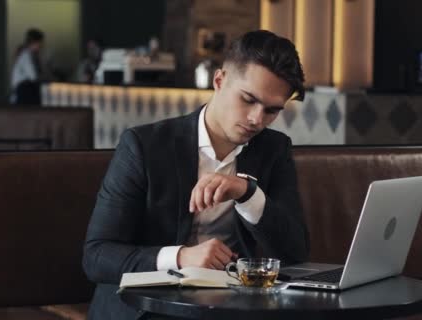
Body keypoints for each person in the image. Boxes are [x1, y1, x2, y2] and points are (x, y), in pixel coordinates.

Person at [83, 30, 310, 319]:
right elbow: (97, 256)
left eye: (271, 110)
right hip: (147, 310)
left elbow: (295, 252)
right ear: (219, 81)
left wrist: (247, 193)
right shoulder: (144, 146)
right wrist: (180, 257)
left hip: (230, 309)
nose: (257, 119)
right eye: (248, 100)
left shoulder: (274, 149)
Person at [10, 28, 45, 104]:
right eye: (40, 43)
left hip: (22, 94)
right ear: (35, 42)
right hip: (24, 94)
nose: (42, 46)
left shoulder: (26, 54)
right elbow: (33, 77)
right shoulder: (26, 55)